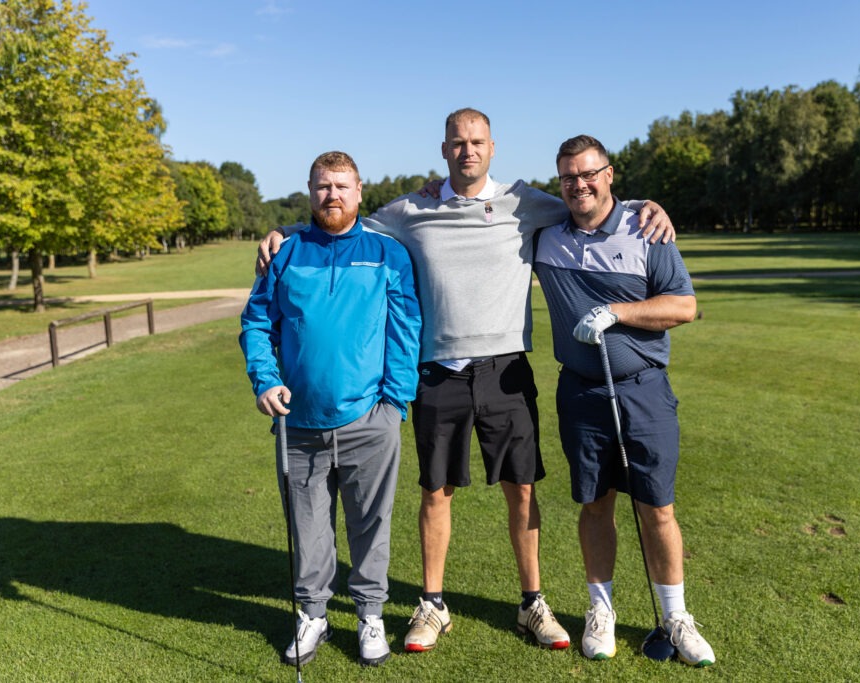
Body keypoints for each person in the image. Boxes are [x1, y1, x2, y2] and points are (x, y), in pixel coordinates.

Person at [256, 109, 676, 654]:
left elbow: (591, 201)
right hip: (439, 372)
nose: (467, 151)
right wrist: (284, 231)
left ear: (493, 147)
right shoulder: (411, 209)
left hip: (505, 370)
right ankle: (432, 605)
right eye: (458, 143)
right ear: (444, 149)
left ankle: (532, 603)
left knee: (521, 491)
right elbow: (341, 220)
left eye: (476, 142)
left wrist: (648, 206)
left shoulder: (528, 203)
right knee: (436, 492)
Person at [533, 135, 715, 666]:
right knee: (595, 503)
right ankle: (601, 609)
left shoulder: (645, 227)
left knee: (656, 506)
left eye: (589, 174)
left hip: (643, 390)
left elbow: (683, 305)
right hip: (582, 392)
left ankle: (676, 616)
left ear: (610, 174)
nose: (579, 184)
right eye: (568, 177)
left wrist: (618, 311)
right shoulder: (546, 234)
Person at [240, 151, 421, 667]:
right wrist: (265, 380)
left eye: (342, 186)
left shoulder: (388, 252)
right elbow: (257, 325)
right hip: (297, 422)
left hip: (371, 417)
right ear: (310, 190)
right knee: (307, 526)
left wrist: (395, 402)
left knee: (371, 524)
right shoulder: (286, 251)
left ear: (360, 191)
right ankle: (313, 614)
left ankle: (369, 615)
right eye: (323, 186)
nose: (332, 195)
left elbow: (404, 331)